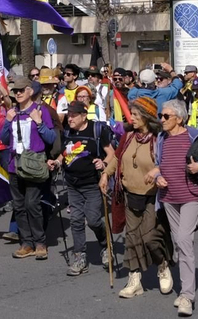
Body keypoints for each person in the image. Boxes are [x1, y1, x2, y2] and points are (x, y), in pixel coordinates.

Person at [0, 74, 58, 261]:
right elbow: (5, 140)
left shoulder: (40, 110)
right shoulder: (12, 112)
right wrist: (7, 121)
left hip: (34, 165)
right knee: (19, 205)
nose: (18, 94)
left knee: (32, 203)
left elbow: (51, 138)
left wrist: (38, 122)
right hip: (15, 165)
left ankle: (40, 242)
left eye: (21, 90)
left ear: (30, 92)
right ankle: (26, 243)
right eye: (15, 91)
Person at [156, 98, 198, 316]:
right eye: (161, 116)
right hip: (168, 197)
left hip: (191, 196)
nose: (162, 119)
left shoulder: (194, 135)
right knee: (179, 242)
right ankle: (184, 287)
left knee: (185, 241)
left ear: (179, 118)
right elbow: (157, 163)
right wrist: (157, 175)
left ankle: (187, 296)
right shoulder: (161, 138)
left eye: (166, 116)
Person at [116, 96, 169, 298]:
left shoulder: (159, 139)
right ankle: (135, 278)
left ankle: (162, 266)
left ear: (146, 117)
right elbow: (118, 157)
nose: (132, 118)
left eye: (136, 115)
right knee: (132, 237)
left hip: (152, 195)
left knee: (149, 237)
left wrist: (158, 172)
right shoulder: (128, 136)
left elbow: (167, 162)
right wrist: (105, 173)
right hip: (131, 193)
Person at [58, 100, 116, 278]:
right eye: (69, 115)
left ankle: (105, 245)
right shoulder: (67, 131)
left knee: (93, 220)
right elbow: (64, 152)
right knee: (75, 220)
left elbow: (112, 153)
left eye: (74, 115)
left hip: (92, 184)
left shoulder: (96, 131)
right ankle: (79, 257)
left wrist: (103, 163)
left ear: (84, 116)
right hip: (73, 184)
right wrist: (57, 161)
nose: (70, 118)